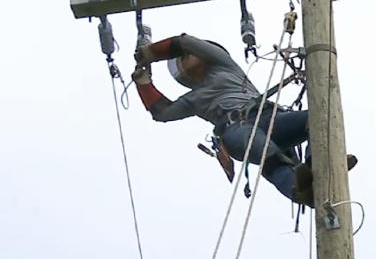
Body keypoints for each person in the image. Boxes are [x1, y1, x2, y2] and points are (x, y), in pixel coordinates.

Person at [132, 33, 353, 206]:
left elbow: (185, 42)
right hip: (235, 129)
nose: (186, 57)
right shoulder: (193, 98)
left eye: (187, 55)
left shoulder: (223, 64)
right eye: (182, 58)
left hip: (267, 116)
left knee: (318, 116)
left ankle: (320, 164)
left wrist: (150, 53)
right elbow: (162, 113)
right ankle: (301, 191)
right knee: (271, 158)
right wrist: (144, 82)